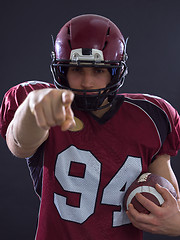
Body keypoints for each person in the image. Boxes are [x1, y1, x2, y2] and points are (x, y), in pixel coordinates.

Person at [0, 14, 180, 240]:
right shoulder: (48, 105)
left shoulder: (151, 117)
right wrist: (32, 111)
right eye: (76, 70)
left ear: (116, 71)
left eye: (98, 70)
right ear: (62, 71)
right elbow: (19, 145)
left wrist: (177, 223)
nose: (87, 82)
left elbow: (170, 199)